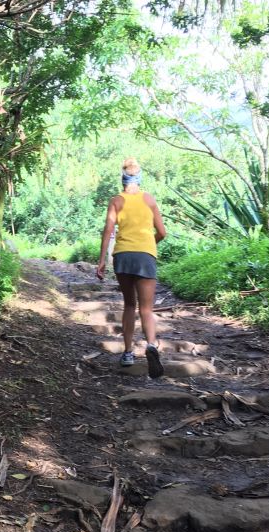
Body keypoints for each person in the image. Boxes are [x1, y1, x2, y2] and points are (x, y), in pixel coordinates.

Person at [96, 158, 167, 378]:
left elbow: (107, 231)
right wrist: (147, 245)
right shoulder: (149, 199)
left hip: (123, 256)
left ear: (123, 179)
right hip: (145, 255)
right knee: (146, 309)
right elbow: (163, 233)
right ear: (140, 177)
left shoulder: (116, 201)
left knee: (129, 305)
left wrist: (101, 261)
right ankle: (152, 345)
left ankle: (128, 352)